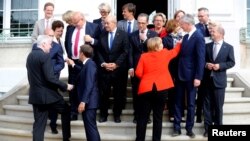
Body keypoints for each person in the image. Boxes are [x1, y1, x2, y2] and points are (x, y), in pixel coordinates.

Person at [26, 35, 73, 141]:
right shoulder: (44, 56)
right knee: (66, 110)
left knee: (39, 124)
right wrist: (65, 86)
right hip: (49, 96)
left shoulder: (30, 55)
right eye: (50, 44)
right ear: (43, 44)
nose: (51, 47)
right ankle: (66, 137)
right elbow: (50, 78)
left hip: (36, 96)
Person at [135, 37, 181, 141]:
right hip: (161, 88)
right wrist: (179, 43)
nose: (163, 45)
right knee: (158, 117)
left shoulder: (143, 56)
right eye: (160, 44)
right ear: (156, 46)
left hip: (146, 88)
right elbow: (175, 51)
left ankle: (139, 139)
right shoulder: (164, 54)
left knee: (142, 117)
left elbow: (138, 73)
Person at [172, 14, 205, 138]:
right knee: (177, 102)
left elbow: (200, 59)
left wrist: (198, 77)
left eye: (182, 24)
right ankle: (176, 127)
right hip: (180, 74)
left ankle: (189, 128)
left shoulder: (199, 37)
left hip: (192, 76)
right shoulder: (185, 36)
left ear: (188, 24)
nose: (181, 26)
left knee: (191, 104)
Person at [64, 11, 100, 120]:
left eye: (76, 22)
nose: (74, 25)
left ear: (82, 19)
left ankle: (87, 107)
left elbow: (100, 43)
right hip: (72, 61)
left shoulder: (94, 27)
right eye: (73, 23)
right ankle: (74, 111)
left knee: (86, 85)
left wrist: (92, 40)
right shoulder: (70, 28)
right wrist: (69, 56)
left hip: (85, 62)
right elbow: (67, 43)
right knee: (72, 86)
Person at [203, 24, 235, 137]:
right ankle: (207, 129)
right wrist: (207, 65)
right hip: (207, 81)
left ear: (221, 34)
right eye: (211, 31)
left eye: (214, 32)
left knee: (218, 106)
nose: (211, 33)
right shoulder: (207, 46)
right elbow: (202, 60)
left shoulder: (229, 47)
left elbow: (231, 62)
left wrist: (220, 66)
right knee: (207, 106)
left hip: (219, 82)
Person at [97, 15, 129, 123]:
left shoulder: (123, 35)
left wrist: (116, 64)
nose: (105, 25)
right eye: (104, 23)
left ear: (114, 23)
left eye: (107, 23)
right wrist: (103, 63)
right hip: (104, 70)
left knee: (118, 94)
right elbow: (99, 52)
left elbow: (125, 51)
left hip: (119, 71)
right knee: (103, 94)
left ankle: (117, 115)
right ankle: (103, 115)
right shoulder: (102, 34)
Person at [128, 13, 158, 124]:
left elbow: (155, 51)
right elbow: (130, 53)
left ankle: (147, 116)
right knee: (136, 93)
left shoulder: (154, 34)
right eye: (139, 23)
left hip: (149, 69)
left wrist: (145, 40)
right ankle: (137, 115)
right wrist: (130, 67)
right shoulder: (132, 35)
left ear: (147, 22)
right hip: (136, 68)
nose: (141, 25)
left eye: (143, 23)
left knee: (148, 93)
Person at [67, 44, 101, 141]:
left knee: (91, 129)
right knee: (89, 129)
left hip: (89, 103)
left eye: (79, 53)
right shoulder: (87, 64)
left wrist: (83, 102)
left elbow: (89, 85)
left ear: (82, 53)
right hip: (88, 102)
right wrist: (73, 64)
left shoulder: (90, 64)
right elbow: (82, 72)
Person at [163, 19, 182, 122]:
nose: (179, 27)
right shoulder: (165, 39)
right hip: (170, 68)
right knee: (172, 91)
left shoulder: (183, 38)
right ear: (172, 27)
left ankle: (180, 113)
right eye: (177, 26)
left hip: (181, 68)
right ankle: (171, 113)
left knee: (180, 91)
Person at [195, 7, 211, 123]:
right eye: (198, 16)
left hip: (212, 62)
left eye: (202, 16)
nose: (200, 18)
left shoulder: (214, 25)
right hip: (201, 63)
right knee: (201, 92)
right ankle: (199, 115)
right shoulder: (196, 27)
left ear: (207, 15)